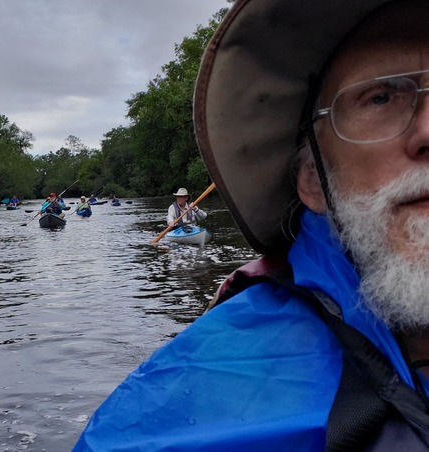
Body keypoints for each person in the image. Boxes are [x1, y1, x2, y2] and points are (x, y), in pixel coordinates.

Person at [75, 0, 429, 449]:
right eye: (380, 96)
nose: (426, 130)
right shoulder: (193, 411)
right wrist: (180, 221)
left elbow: (198, 221)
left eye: (185, 198)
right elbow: (179, 225)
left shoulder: (188, 210)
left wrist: (193, 217)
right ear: (313, 181)